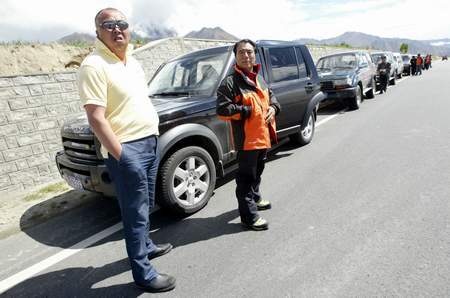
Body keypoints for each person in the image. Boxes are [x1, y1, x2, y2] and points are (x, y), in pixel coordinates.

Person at [77, 7, 175, 293]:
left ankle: (147, 246)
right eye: (109, 25)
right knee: (135, 214)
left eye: (122, 23)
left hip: (149, 141)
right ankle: (143, 273)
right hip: (127, 150)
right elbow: (96, 117)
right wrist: (122, 155)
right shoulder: (93, 65)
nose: (117, 29)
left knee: (147, 203)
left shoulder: (131, 60)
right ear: (98, 31)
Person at [216, 39, 281, 231]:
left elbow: (272, 96)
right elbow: (222, 109)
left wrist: (273, 108)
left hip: (263, 136)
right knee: (246, 179)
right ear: (235, 56)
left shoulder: (258, 78)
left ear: (255, 55)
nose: (246, 56)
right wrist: (247, 110)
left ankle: (255, 197)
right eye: (242, 52)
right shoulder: (230, 82)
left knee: (257, 172)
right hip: (247, 140)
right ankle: (249, 216)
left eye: (250, 52)